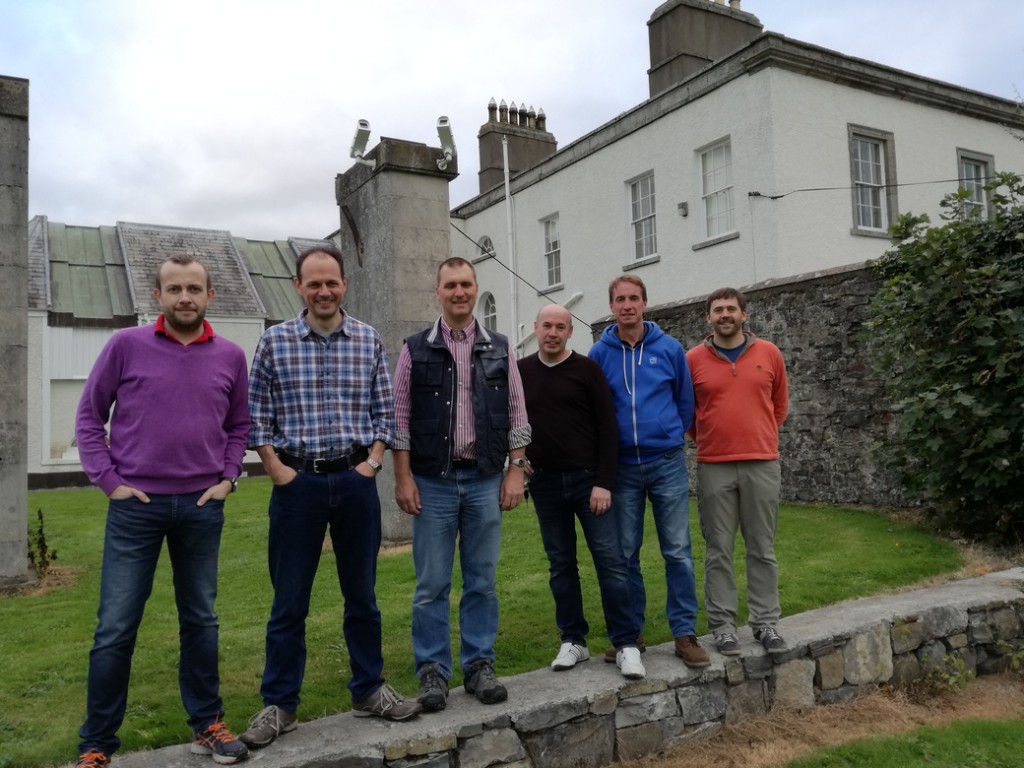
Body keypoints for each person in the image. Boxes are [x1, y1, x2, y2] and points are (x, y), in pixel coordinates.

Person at [74, 255, 250, 768]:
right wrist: (109, 482)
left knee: (201, 620)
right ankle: (97, 744)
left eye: (194, 288)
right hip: (137, 508)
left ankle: (208, 725)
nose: (184, 298)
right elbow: (89, 417)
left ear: (210, 295)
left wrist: (228, 478)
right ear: (158, 295)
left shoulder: (230, 356)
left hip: (201, 506)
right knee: (115, 627)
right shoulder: (124, 346)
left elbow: (239, 425)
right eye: (174, 289)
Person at [240, 246, 420, 749]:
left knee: (362, 596)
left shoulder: (366, 339)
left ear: (344, 285)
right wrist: (276, 469)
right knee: (289, 600)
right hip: (296, 486)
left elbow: (385, 412)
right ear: (299, 287)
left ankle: (368, 689)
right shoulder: (274, 342)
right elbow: (256, 416)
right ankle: (280, 704)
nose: (323, 291)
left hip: (355, 482)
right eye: (313, 283)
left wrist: (373, 464)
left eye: (331, 283)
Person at [392, 256, 531, 710]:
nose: (458, 292)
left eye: (466, 284)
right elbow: (399, 421)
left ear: (475, 288)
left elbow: (517, 415)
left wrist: (516, 469)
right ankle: (432, 672)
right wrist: (403, 478)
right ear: (438, 291)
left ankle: (479, 666)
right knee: (431, 583)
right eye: (450, 285)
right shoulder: (415, 348)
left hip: (485, 480)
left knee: (482, 581)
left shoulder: (501, 347)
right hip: (433, 482)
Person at [588, 274, 711, 674]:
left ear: (645, 303)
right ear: (612, 306)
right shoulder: (599, 354)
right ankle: (631, 636)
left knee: (677, 550)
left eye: (634, 298)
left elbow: (685, 402)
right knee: (625, 555)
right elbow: (593, 409)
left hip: (666, 463)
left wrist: (671, 434)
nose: (627, 305)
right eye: (620, 299)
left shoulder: (670, 349)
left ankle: (684, 633)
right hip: (621, 466)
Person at [518, 305, 645, 678]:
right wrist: (519, 463)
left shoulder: (587, 370)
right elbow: (512, 422)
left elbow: (609, 429)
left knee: (612, 563)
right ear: (535, 329)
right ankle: (573, 640)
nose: (552, 333)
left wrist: (604, 482)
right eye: (546, 326)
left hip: (590, 483)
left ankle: (625, 643)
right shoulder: (521, 372)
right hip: (545, 484)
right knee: (561, 566)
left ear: (570, 332)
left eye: (560, 327)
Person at [687, 287, 790, 656]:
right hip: (714, 465)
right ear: (708, 318)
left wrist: (757, 436)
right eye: (718, 309)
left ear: (744, 315)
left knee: (762, 546)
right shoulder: (693, 359)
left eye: (732, 308)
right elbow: (688, 413)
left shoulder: (769, 354)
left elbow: (779, 406)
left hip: (762, 462)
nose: (725, 314)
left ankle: (765, 623)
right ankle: (724, 628)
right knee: (719, 550)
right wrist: (713, 439)